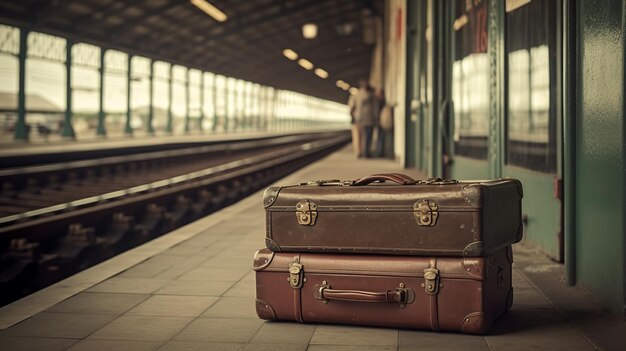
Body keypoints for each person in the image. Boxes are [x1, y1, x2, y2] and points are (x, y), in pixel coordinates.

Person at [352, 79, 377, 158]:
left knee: (359, 137)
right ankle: (366, 152)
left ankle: (360, 152)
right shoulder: (372, 95)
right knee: (367, 136)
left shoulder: (356, 95)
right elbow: (374, 109)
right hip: (368, 119)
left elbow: (352, 107)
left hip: (359, 119)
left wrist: (353, 117)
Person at [375, 89, 393, 158]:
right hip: (383, 122)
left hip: (382, 122)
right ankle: (382, 151)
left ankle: (381, 152)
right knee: (382, 138)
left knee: (382, 138)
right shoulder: (381, 102)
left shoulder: (379, 103)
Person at [347, 93, 360, 158]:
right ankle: (358, 151)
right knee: (357, 136)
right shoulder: (356, 98)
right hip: (357, 121)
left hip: (356, 121)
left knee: (356, 137)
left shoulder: (353, 98)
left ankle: (358, 151)